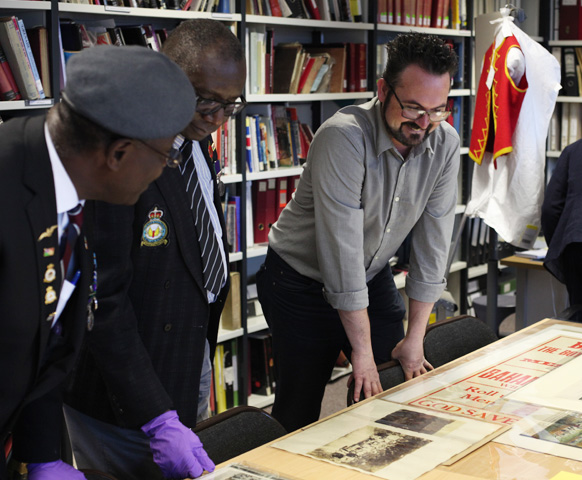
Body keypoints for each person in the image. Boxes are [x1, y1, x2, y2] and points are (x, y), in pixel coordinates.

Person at [0, 45, 196, 480]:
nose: (166, 170)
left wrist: (42, 454)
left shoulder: (70, 180)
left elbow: (44, 340)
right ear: (118, 153)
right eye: (166, 155)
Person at [63, 19, 246, 480]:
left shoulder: (197, 139)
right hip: (121, 392)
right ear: (168, 75)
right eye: (206, 100)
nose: (217, 118)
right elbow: (103, 302)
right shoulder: (119, 153)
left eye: (230, 105)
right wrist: (155, 415)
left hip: (187, 358)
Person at [257, 32, 460, 432]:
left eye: (437, 110)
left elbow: (434, 245)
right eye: (414, 107)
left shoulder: (445, 142)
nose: (424, 124)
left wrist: (415, 336)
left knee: (395, 392)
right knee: (299, 412)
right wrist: (360, 353)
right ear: (384, 90)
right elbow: (342, 252)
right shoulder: (343, 136)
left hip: (372, 271)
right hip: (298, 280)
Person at [541, 133, 582, 325]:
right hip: (581, 242)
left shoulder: (576, 149)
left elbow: (551, 208)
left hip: (581, 247)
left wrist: (560, 249)